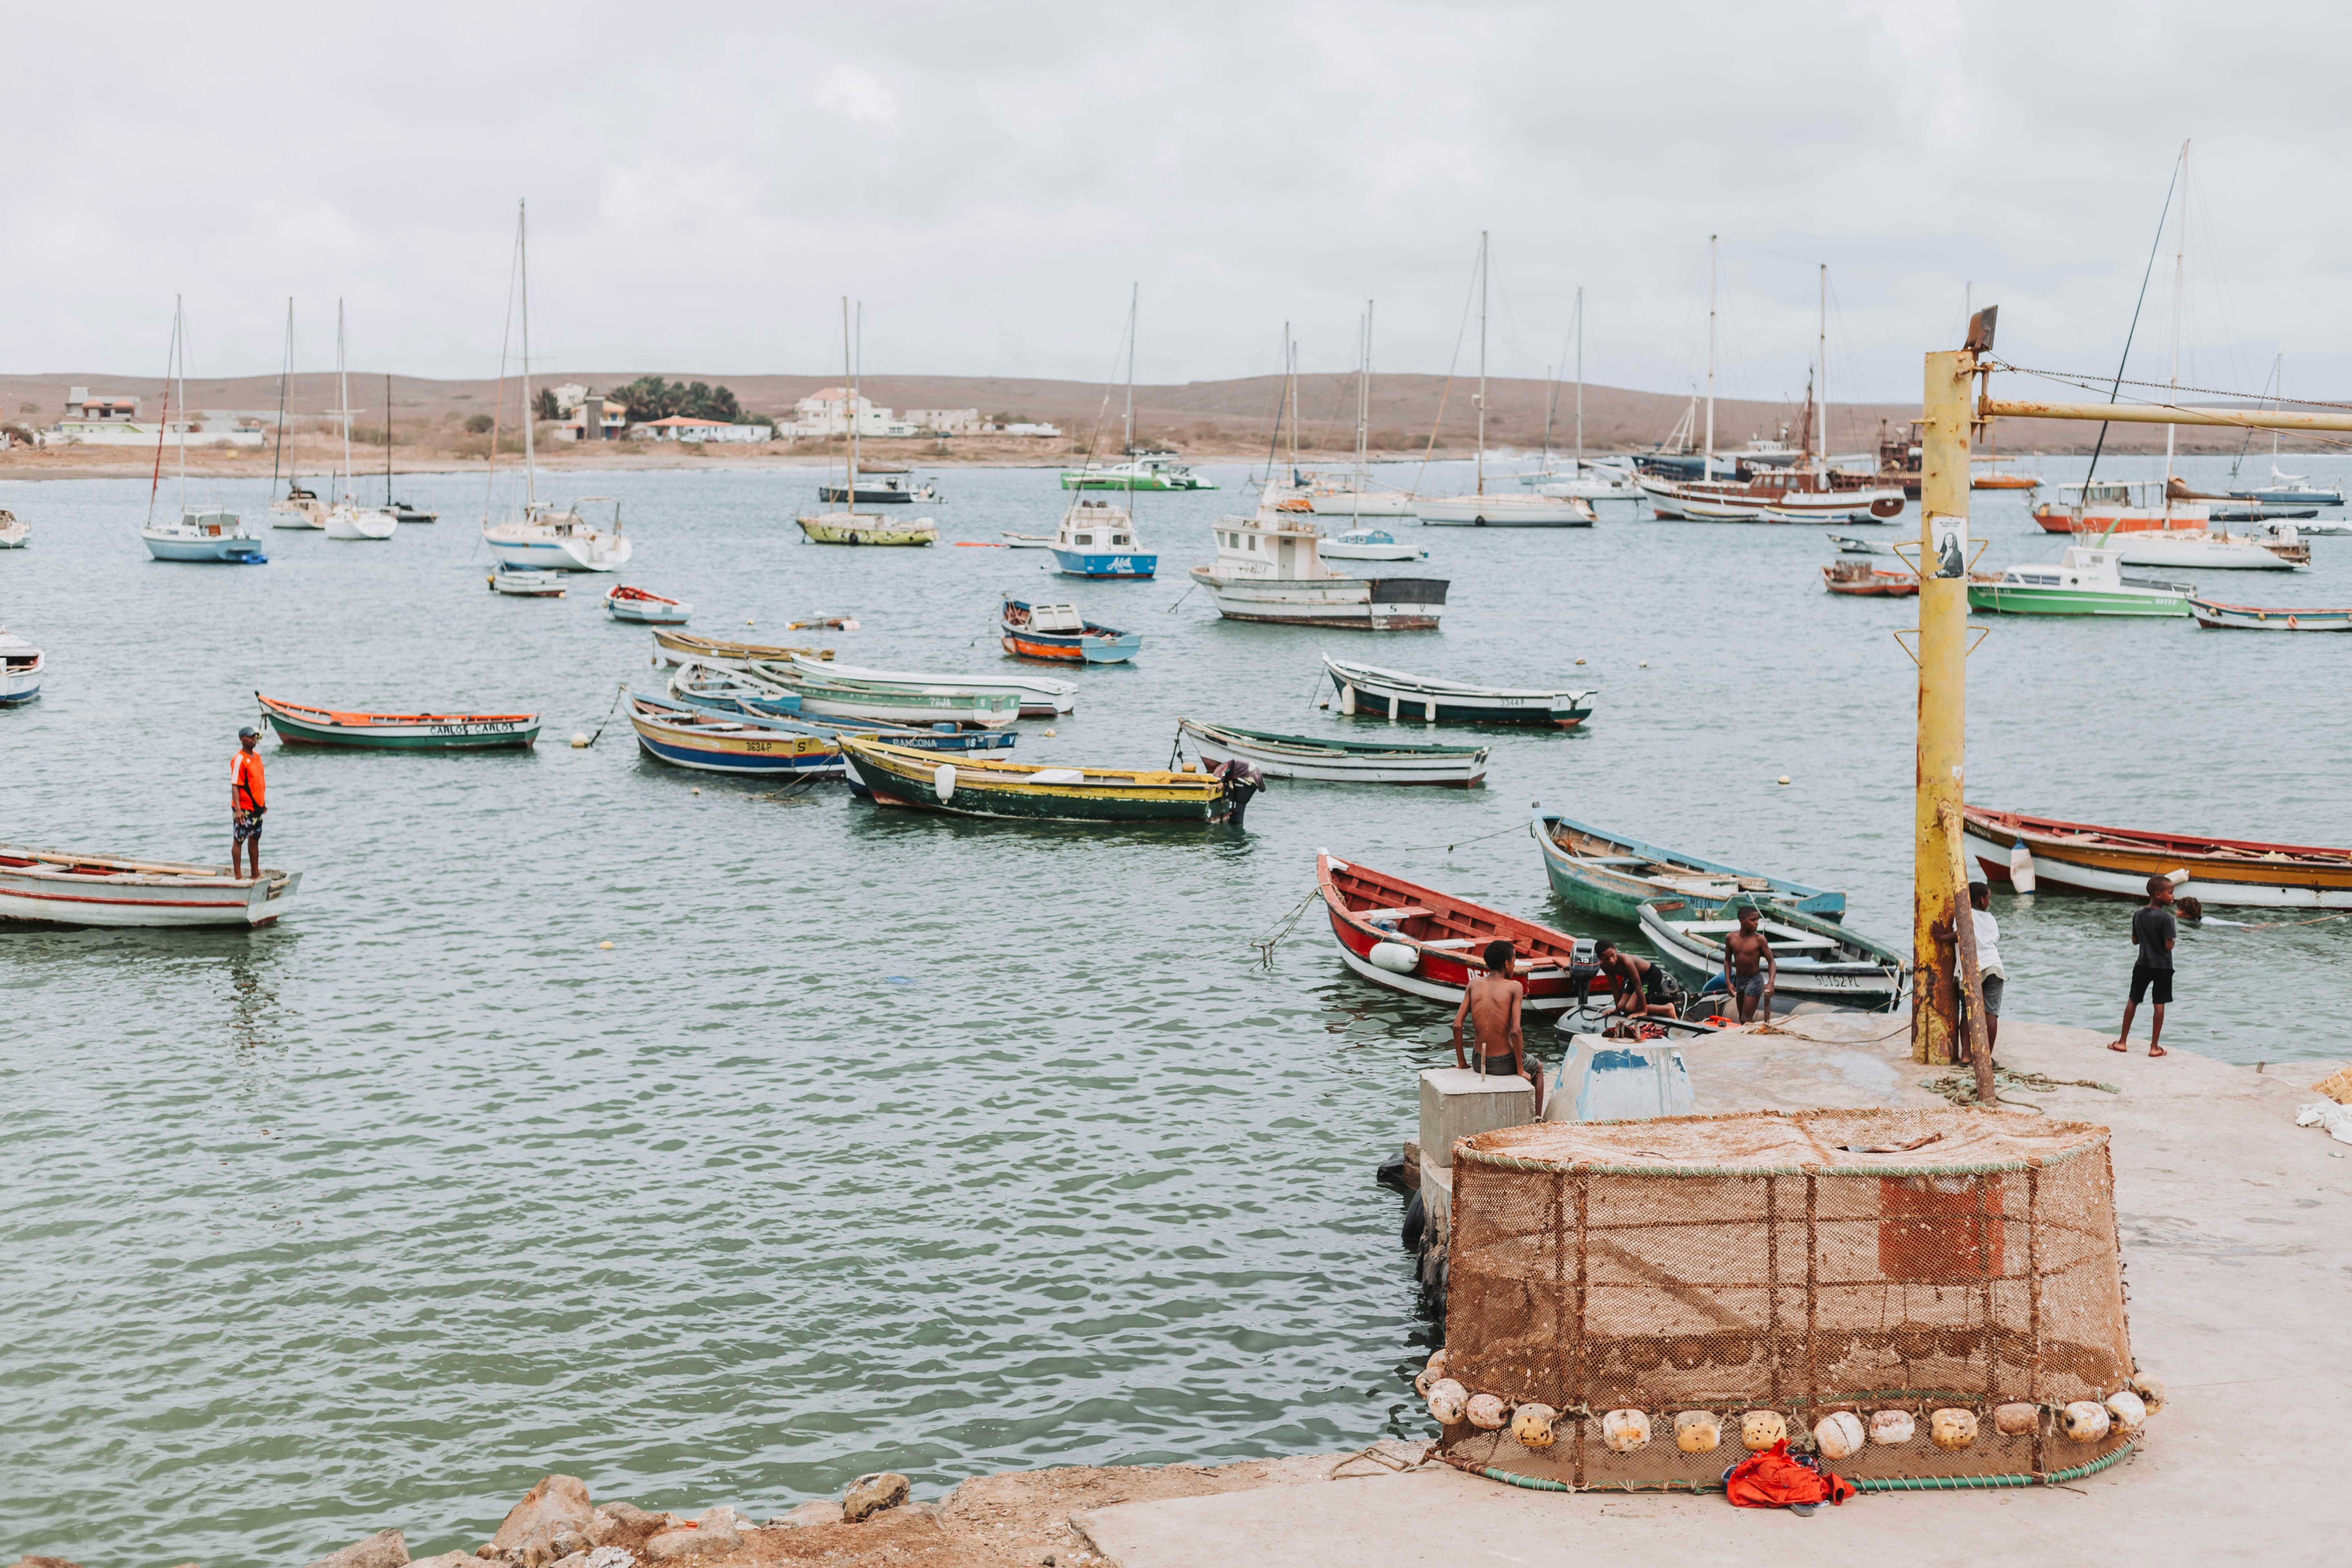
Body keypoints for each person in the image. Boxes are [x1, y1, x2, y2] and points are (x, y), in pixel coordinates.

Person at [1453, 939, 1540, 1114]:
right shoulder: (1515, 987)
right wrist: (1520, 1070)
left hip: (1478, 1061)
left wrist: (1462, 1063)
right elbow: (1516, 1031)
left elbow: (1457, 1025)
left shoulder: (1474, 984)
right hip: (1503, 1063)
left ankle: (1464, 1062)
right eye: (1514, 962)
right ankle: (1537, 1119)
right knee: (1538, 1068)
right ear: (1507, 964)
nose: (1514, 967)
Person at [1934, 882, 2005, 1055]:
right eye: (1988, 899)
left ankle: (1966, 1056)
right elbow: (1992, 938)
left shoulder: (1963, 915)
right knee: (1991, 1013)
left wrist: (1941, 937)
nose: (1989, 902)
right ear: (1981, 900)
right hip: (1993, 967)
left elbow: (1961, 935)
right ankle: (1986, 1056)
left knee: (1967, 1012)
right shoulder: (1991, 919)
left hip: (1969, 969)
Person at [2111, 875, 2175, 1057]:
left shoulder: (2138, 914)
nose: (2173, 897)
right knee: (2159, 1004)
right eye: (2170, 893)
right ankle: (2154, 1047)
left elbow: (2134, 940)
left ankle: (2122, 1042)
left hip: (2143, 964)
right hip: (2163, 967)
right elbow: (2169, 946)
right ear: (2159, 894)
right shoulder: (2167, 918)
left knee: (2133, 1000)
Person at [1721, 904, 1776, 1024]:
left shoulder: (1760, 940)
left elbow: (1771, 961)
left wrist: (1771, 983)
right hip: (1740, 979)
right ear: (1742, 920)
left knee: (1746, 1019)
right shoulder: (1731, 938)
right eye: (1753, 920)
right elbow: (1727, 960)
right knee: (1743, 1019)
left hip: (1755, 980)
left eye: (1758, 920)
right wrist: (1728, 982)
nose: (1756, 923)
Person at [1593, 938, 1672, 1020]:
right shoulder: (1604, 966)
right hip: (1634, 979)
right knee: (1621, 1006)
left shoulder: (1626, 961)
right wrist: (1617, 1009)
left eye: (1613, 955)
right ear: (1600, 958)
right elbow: (1614, 986)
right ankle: (1634, 1007)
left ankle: (1668, 1009)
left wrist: (1644, 1011)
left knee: (1630, 1008)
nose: (1611, 960)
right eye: (1606, 959)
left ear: (1615, 949)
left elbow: (1639, 986)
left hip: (1651, 976)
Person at [231, 724, 267, 879]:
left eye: (255, 737)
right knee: (239, 840)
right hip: (244, 808)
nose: (254, 739)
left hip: (257, 808)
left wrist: (262, 804)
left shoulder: (257, 757)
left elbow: (258, 783)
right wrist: (238, 810)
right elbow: (235, 785)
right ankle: (238, 876)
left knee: (255, 838)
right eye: (250, 737)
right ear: (242, 739)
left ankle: (255, 873)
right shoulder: (239, 759)